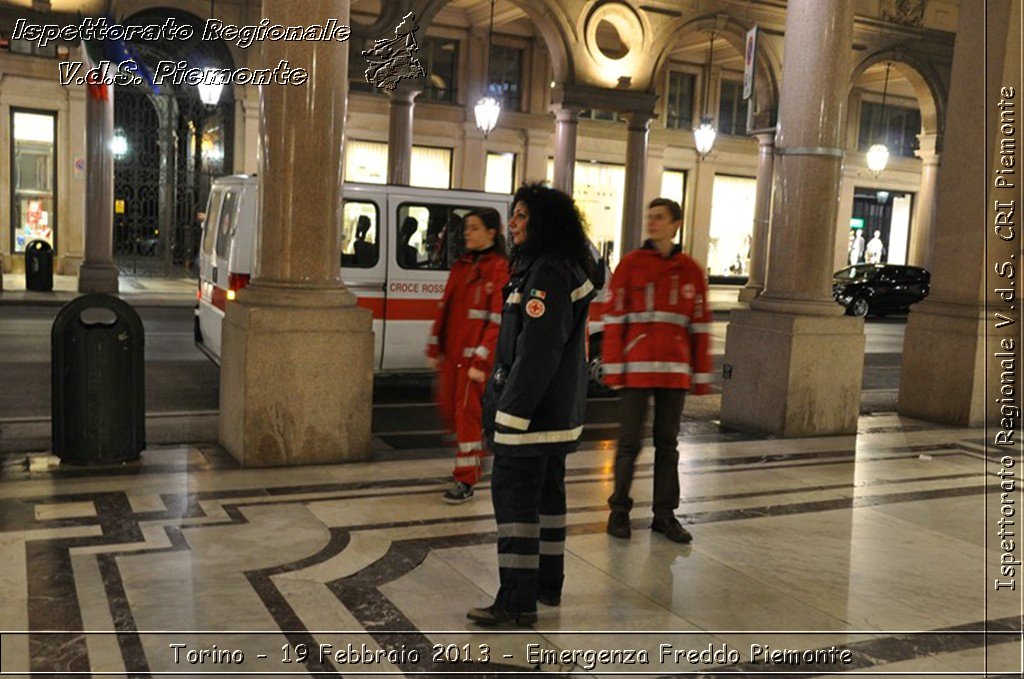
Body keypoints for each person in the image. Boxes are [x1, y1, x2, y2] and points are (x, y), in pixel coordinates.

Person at [467, 184, 598, 627]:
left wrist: (509, 416)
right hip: (553, 418)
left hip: (533, 418)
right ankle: (545, 585)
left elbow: (536, 354)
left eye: (523, 216)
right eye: (514, 215)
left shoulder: (545, 274)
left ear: (544, 221)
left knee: (516, 503)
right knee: (547, 501)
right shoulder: (556, 267)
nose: (515, 224)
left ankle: (517, 601)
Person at [603, 197, 714, 544]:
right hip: (636, 370)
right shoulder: (630, 265)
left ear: (675, 224)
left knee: (668, 444)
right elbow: (613, 319)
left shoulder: (691, 270)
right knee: (628, 443)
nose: (652, 222)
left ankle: (664, 516)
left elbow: (699, 325)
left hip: (674, 372)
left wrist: (700, 376)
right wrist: (613, 368)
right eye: (649, 216)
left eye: (659, 217)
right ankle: (618, 511)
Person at [426, 208, 510, 503]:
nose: (467, 233)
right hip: (452, 357)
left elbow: (496, 320)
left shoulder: (499, 269)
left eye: (474, 228)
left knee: (466, 417)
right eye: (466, 228)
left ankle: (466, 480)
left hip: (473, 361)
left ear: (491, 232)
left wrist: (481, 361)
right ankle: (474, 455)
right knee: (448, 412)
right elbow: (445, 308)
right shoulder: (461, 266)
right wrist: (434, 346)